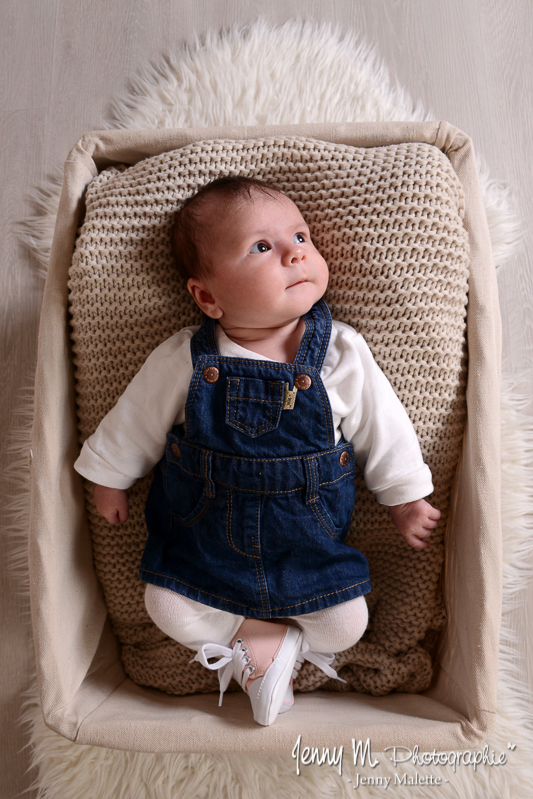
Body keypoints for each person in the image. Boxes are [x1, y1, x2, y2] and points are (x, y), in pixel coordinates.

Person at [75, 176, 441, 726]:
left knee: (349, 624)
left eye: (300, 235)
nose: (297, 251)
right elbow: (135, 420)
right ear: (207, 296)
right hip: (204, 546)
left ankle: (265, 650)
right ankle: (255, 641)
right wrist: (111, 476)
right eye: (263, 247)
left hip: (308, 549)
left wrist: (405, 497)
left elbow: (385, 430)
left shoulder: (341, 352)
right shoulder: (187, 359)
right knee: (164, 604)